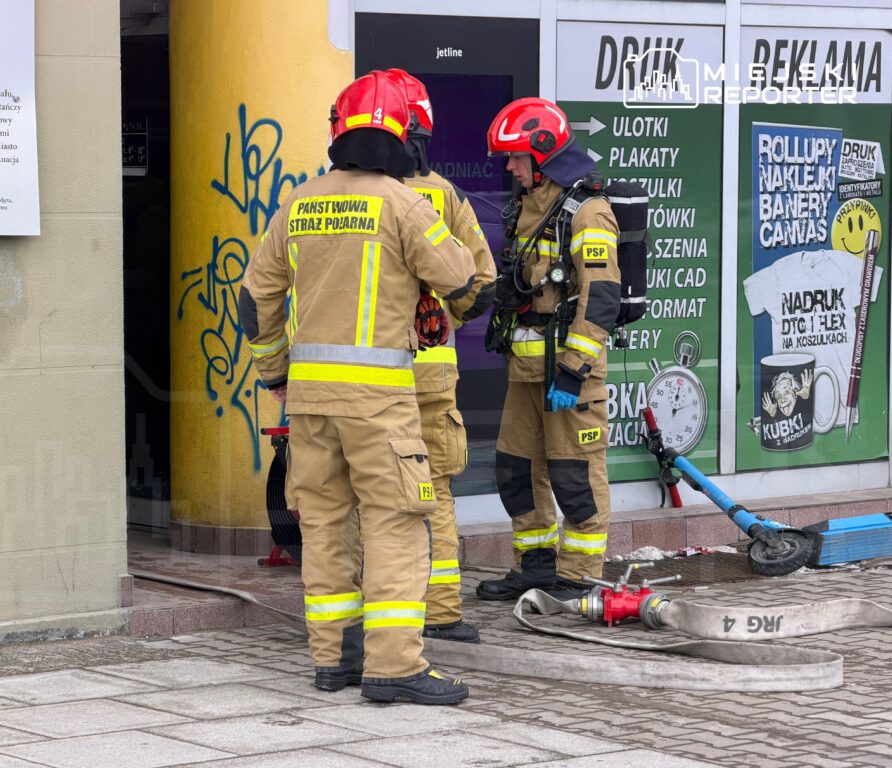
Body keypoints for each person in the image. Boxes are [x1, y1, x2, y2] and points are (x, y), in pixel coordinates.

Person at [240, 71, 476, 705]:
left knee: (324, 524)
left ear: (337, 132)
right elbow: (459, 279)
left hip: (310, 401)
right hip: (379, 404)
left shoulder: (299, 202)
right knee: (397, 523)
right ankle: (394, 667)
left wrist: (275, 372)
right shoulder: (404, 205)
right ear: (403, 134)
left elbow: (255, 294)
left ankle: (333, 660)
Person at [475, 97, 620, 601]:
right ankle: (534, 568)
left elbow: (601, 296)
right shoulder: (527, 209)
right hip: (525, 372)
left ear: (543, 154)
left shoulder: (587, 212)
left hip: (568, 377)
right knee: (517, 472)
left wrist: (574, 370)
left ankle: (579, 578)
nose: (510, 167)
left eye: (516, 158)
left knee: (574, 479)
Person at [383, 68, 497, 644]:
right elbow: (482, 280)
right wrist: (445, 316)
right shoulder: (441, 195)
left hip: (365, 382)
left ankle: (373, 617)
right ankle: (441, 611)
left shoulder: (339, 195)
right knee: (435, 494)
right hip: (430, 378)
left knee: (372, 499)